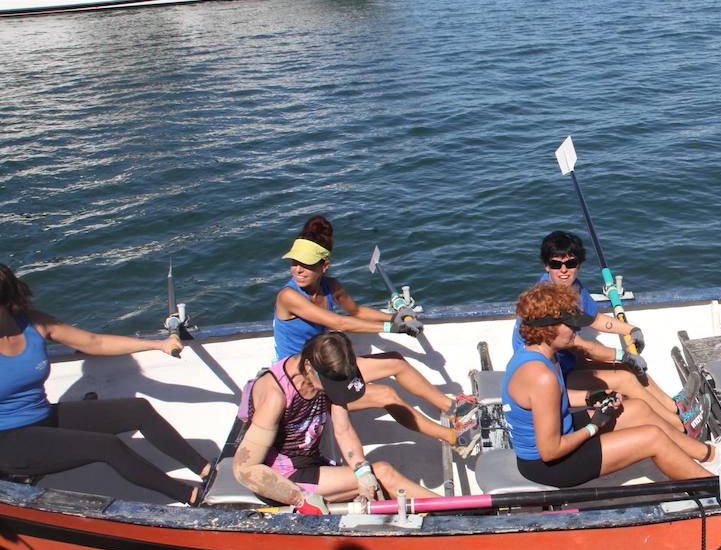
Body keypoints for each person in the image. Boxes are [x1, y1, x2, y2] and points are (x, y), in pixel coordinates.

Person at [0, 264, 211, 504]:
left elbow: (95, 342)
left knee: (138, 409)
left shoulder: (33, 324)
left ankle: (208, 471)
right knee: (106, 446)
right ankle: (195, 498)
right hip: (8, 442)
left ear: (7, 300)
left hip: (43, 417)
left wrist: (158, 344)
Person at [504, 282, 721, 487]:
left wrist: (591, 397)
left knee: (637, 408)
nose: (577, 329)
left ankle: (710, 455)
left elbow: (554, 399)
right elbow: (550, 450)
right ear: (548, 329)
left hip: (564, 433)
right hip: (550, 466)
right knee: (651, 438)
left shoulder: (538, 353)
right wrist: (593, 427)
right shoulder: (540, 375)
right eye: (570, 324)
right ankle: (717, 487)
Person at [273, 215, 470, 445]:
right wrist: (392, 328)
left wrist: (398, 318)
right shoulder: (288, 296)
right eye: (294, 262)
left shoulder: (331, 286)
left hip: (324, 365)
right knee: (386, 395)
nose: (297, 269)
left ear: (324, 265)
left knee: (397, 362)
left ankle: (455, 408)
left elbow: (356, 312)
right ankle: (455, 439)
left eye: (306, 263)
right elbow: (341, 323)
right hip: (301, 378)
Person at [233, 331, 435, 511]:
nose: (334, 393)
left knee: (373, 477)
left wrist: (362, 472)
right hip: (279, 479)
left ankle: (457, 515)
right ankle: (460, 516)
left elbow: (343, 430)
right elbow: (245, 469)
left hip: (310, 464)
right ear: (308, 367)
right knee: (383, 474)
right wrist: (300, 499)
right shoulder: (275, 395)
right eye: (330, 387)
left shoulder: (329, 375)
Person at [511, 231, 692, 427]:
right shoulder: (548, 301)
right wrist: (623, 354)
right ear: (546, 266)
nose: (564, 270)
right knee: (624, 378)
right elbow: (582, 346)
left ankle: (675, 408)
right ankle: (679, 426)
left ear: (578, 264)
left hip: (565, 362)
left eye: (570, 263)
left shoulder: (574, 287)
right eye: (556, 264)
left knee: (632, 369)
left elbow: (593, 318)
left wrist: (631, 330)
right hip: (549, 374)